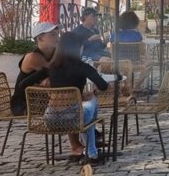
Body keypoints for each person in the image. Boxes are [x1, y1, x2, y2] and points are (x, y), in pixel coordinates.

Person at [45, 32, 112, 164]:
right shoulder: (82, 66)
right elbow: (103, 85)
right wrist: (92, 93)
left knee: (82, 110)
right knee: (91, 103)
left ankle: (84, 148)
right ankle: (92, 152)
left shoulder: (52, 66)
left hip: (50, 119)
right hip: (73, 118)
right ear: (78, 48)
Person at [10, 22, 59, 116]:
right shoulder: (33, 57)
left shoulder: (53, 53)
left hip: (42, 99)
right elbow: (56, 72)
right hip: (25, 104)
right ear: (40, 38)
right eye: (53, 35)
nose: (57, 37)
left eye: (57, 34)